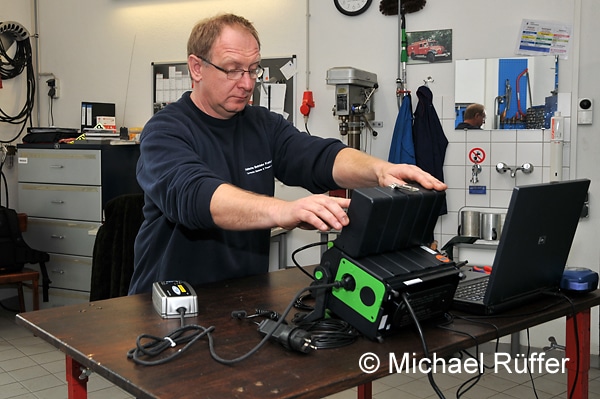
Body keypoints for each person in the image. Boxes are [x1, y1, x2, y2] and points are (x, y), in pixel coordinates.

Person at [128, 13, 447, 295]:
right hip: (169, 306)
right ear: (196, 67)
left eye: (253, 70)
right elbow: (194, 195)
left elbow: (318, 156)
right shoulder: (164, 131)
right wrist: (286, 211)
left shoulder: (262, 124)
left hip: (242, 300)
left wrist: (380, 171)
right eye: (233, 70)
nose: (246, 82)